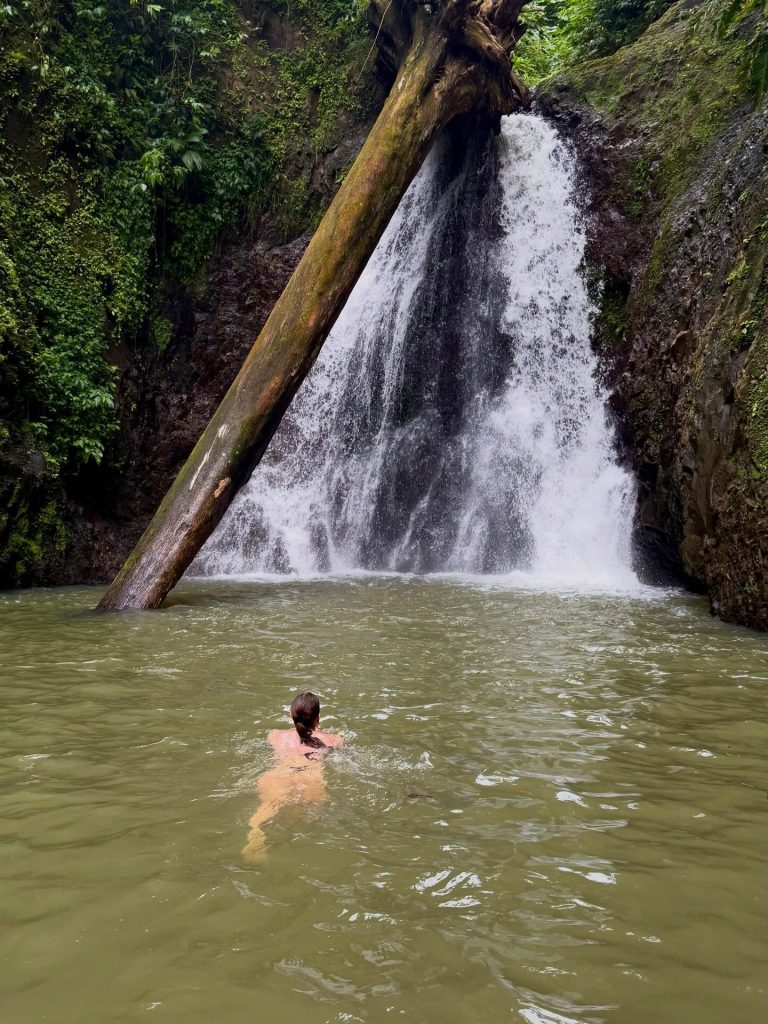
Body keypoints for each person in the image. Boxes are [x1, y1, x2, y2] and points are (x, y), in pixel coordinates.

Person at [242, 692, 343, 861]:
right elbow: (331, 744)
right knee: (303, 820)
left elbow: (297, 738)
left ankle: (256, 830)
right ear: (318, 718)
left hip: (277, 777)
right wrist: (338, 735)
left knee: (267, 807)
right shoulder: (332, 740)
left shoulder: (275, 736)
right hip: (310, 780)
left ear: (291, 715)